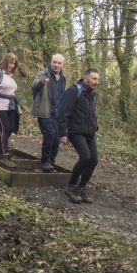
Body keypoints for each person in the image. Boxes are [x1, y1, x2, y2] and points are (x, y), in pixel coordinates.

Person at [57, 68, 100, 204]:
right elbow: (63, 112)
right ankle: (70, 187)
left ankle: (81, 188)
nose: (96, 82)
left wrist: (95, 126)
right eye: (94, 79)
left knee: (93, 160)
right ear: (85, 78)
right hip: (75, 131)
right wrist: (63, 132)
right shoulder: (74, 91)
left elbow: (90, 113)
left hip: (89, 132)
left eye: (97, 79)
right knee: (85, 157)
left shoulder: (91, 94)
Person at [31, 54, 68, 172]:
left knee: (57, 139)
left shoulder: (63, 78)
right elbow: (33, 86)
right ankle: (45, 161)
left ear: (62, 65)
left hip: (57, 114)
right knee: (50, 134)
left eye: (59, 63)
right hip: (45, 111)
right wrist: (41, 82)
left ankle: (51, 162)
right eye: (54, 62)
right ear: (51, 62)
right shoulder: (43, 73)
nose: (56, 65)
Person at [0, 53, 21, 167]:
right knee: (5, 128)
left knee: (11, 128)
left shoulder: (10, 75)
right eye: (11, 63)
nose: (12, 65)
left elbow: (12, 93)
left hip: (10, 106)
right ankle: (4, 155)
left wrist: (18, 108)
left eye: (14, 63)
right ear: (6, 61)